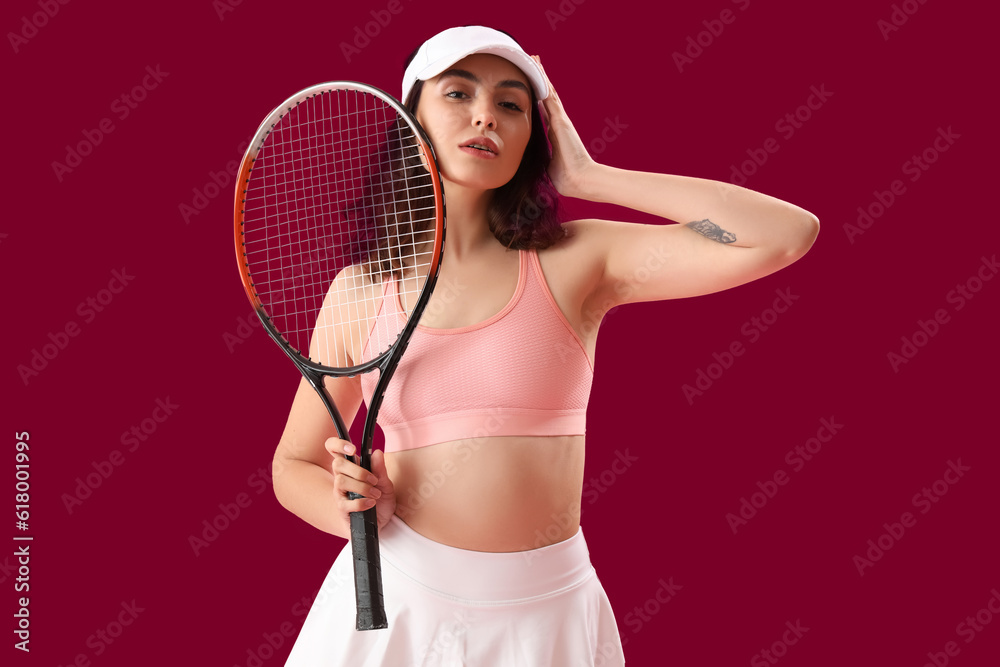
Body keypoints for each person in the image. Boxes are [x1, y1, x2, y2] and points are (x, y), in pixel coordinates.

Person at [277, 25, 819, 666]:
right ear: (410, 115)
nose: (485, 115)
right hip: (396, 604)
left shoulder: (576, 260)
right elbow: (294, 464)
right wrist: (346, 507)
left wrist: (592, 177)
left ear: (534, 136)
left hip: (549, 613)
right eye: (458, 93)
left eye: (511, 104)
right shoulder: (361, 291)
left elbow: (784, 235)